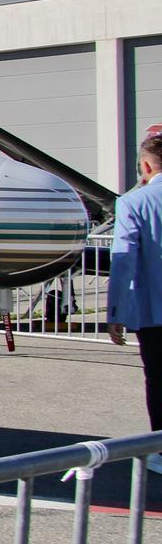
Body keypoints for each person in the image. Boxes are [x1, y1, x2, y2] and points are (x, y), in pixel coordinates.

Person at [107, 134, 162, 474]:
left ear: (145, 166)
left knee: (158, 380)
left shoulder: (134, 202)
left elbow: (124, 258)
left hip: (154, 311)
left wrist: (116, 310)